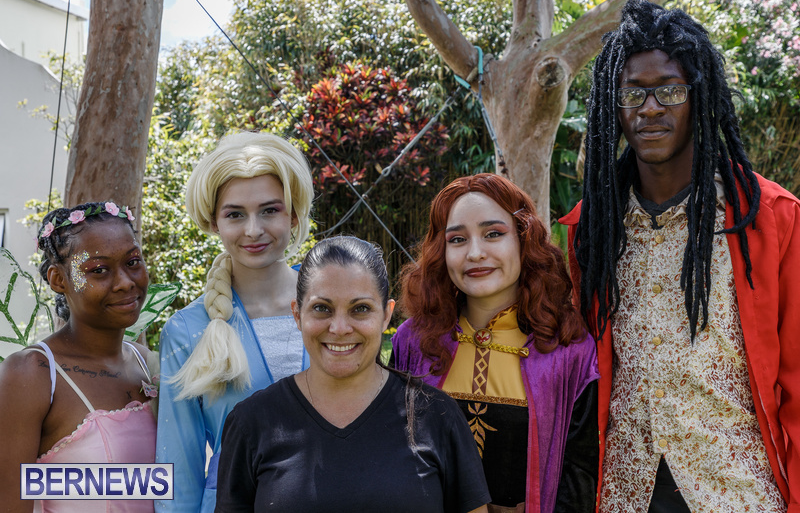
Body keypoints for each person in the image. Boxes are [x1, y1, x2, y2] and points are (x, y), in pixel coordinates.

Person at [560, 0, 800, 513]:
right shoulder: (591, 230)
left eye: (669, 90)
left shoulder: (769, 219)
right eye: (632, 94)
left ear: (699, 95)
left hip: (737, 494)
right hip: (624, 496)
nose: (649, 109)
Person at [215, 236, 491, 513]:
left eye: (360, 309)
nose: (339, 328)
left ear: (386, 315)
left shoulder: (438, 417)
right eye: (322, 308)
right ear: (297, 314)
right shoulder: (251, 423)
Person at [393, 173, 599, 513]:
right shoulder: (412, 343)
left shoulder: (570, 351)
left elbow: (581, 477)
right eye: (457, 239)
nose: (475, 253)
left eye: (493, 234)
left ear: (524, 239)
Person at [156, 132, 315, 513]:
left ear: (293, 215)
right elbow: (179, 472)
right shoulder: (186, 330)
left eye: (270, 211)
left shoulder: (335, 309)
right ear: (214, 221)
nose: (253, 230)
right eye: (235, 214)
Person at [0, 201, 157, 513]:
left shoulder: (147, 364)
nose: (126, 282)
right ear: (58, 279)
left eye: (133, 262)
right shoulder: (33, 374)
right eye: (99, 270)